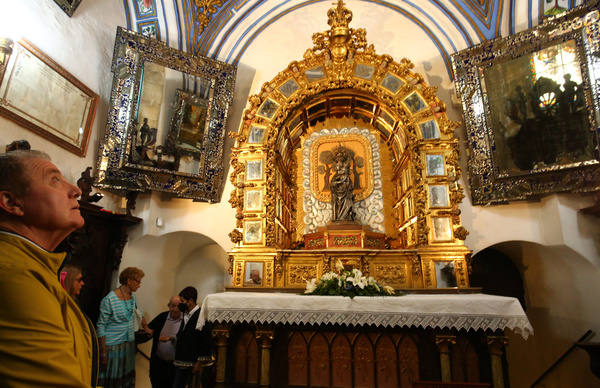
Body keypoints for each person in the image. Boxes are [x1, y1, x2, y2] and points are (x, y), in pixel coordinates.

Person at [0, 150, 96, 387]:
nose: (76, 190)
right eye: (54, 180)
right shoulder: (14, 276)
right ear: (11, 202)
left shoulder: (35, 266)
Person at [97, 266, 152, 388]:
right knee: (112, 382)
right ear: (129, 281)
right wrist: (103, 352)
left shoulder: (132, 297)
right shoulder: (109, 299)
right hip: (113, 347)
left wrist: (146, 326)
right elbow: (101, 326)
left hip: (128, 344)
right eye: (138, 281)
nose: (139, 285)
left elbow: (139, 312)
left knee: (125, 380)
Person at [173, 286, 213, 388]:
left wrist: (199, 363)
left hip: (192, 363)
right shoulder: (185, 314)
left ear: (190, 301)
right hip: (181, 360)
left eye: (182, 301)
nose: (180, 304)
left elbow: (205, 341)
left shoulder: (201, 316)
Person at [148, 296, 183, 388]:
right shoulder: (162, 316)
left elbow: (186, 342)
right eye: (173, 306)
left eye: (178, 306)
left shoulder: (185, 321)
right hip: (158, 364)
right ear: (168, 306)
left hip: (175, 366)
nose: (175, 309)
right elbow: (149, 330)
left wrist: (170, 338)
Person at [330, 145, 355, 221]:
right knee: (336, 203)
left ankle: (345, 217)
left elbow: (348, 183)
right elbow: (332, 184)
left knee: (348, 203)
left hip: (346, 192)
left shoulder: (346, 174)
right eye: (337, 163)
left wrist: (344, 183)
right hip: (337, 193)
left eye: (341, 162)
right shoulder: (335, 176)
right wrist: (336, 183)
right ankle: (337, 217)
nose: (339, 166)